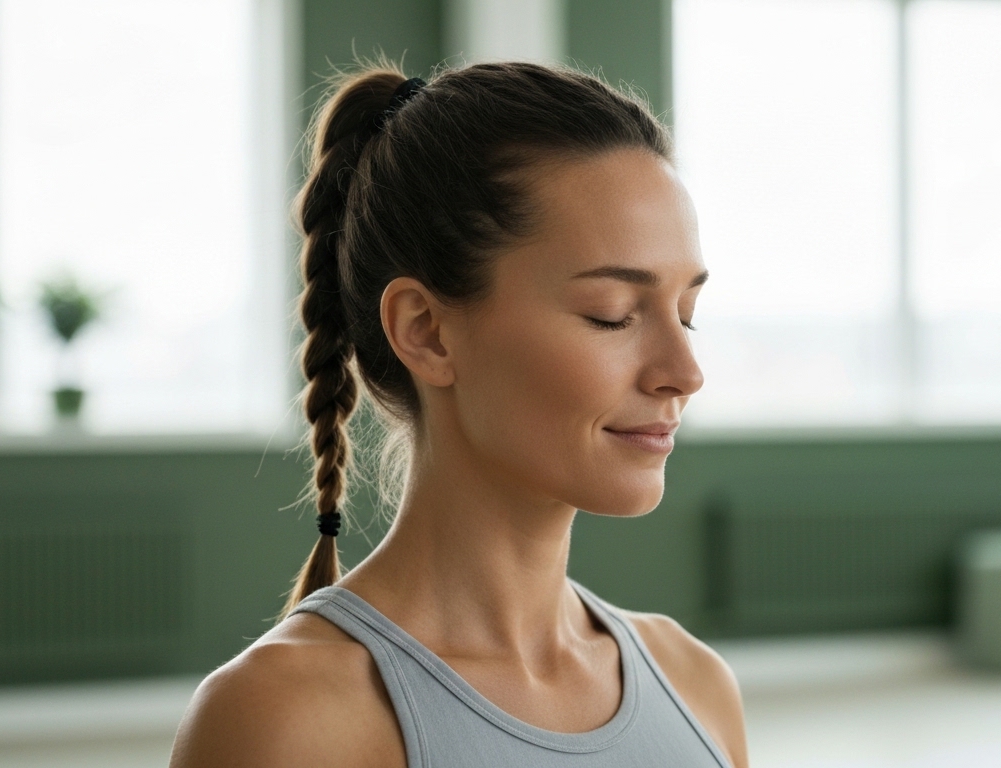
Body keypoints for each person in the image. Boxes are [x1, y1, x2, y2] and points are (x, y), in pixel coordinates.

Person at [169, 61, 747, 768]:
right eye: (613, 315)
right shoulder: (287, 721)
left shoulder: (696, 685)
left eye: (686, 315)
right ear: (426, 330)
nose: (685, 374)